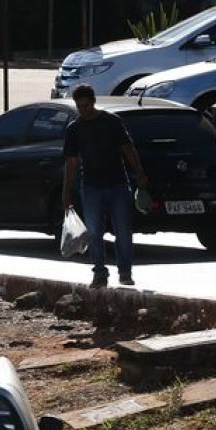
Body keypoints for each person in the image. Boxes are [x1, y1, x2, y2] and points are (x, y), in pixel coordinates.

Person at [63, 84, 148, 288]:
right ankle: (99, 273)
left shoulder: (111, 122)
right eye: (80, 107)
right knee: (94, 232)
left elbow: (127, 148)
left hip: (118, 184)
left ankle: (125, 272)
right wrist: (66, 192)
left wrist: (139, 172)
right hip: (91, 186)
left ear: (93, 102)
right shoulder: (75, 128)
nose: (84, 110)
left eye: (86, 105)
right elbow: (71, 162)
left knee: (123, 230)